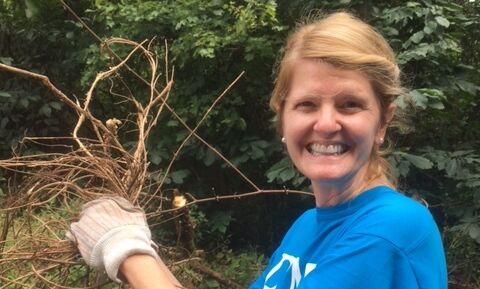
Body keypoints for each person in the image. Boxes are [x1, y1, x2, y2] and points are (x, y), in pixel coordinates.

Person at [67, 11, 447, 289]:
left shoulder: (391, 230)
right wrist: (142, 250)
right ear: (282, 119)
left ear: (383, 122)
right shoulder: (307, 228)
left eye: (350, 104)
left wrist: (126, 252)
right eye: (307, 104)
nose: (327, 123)